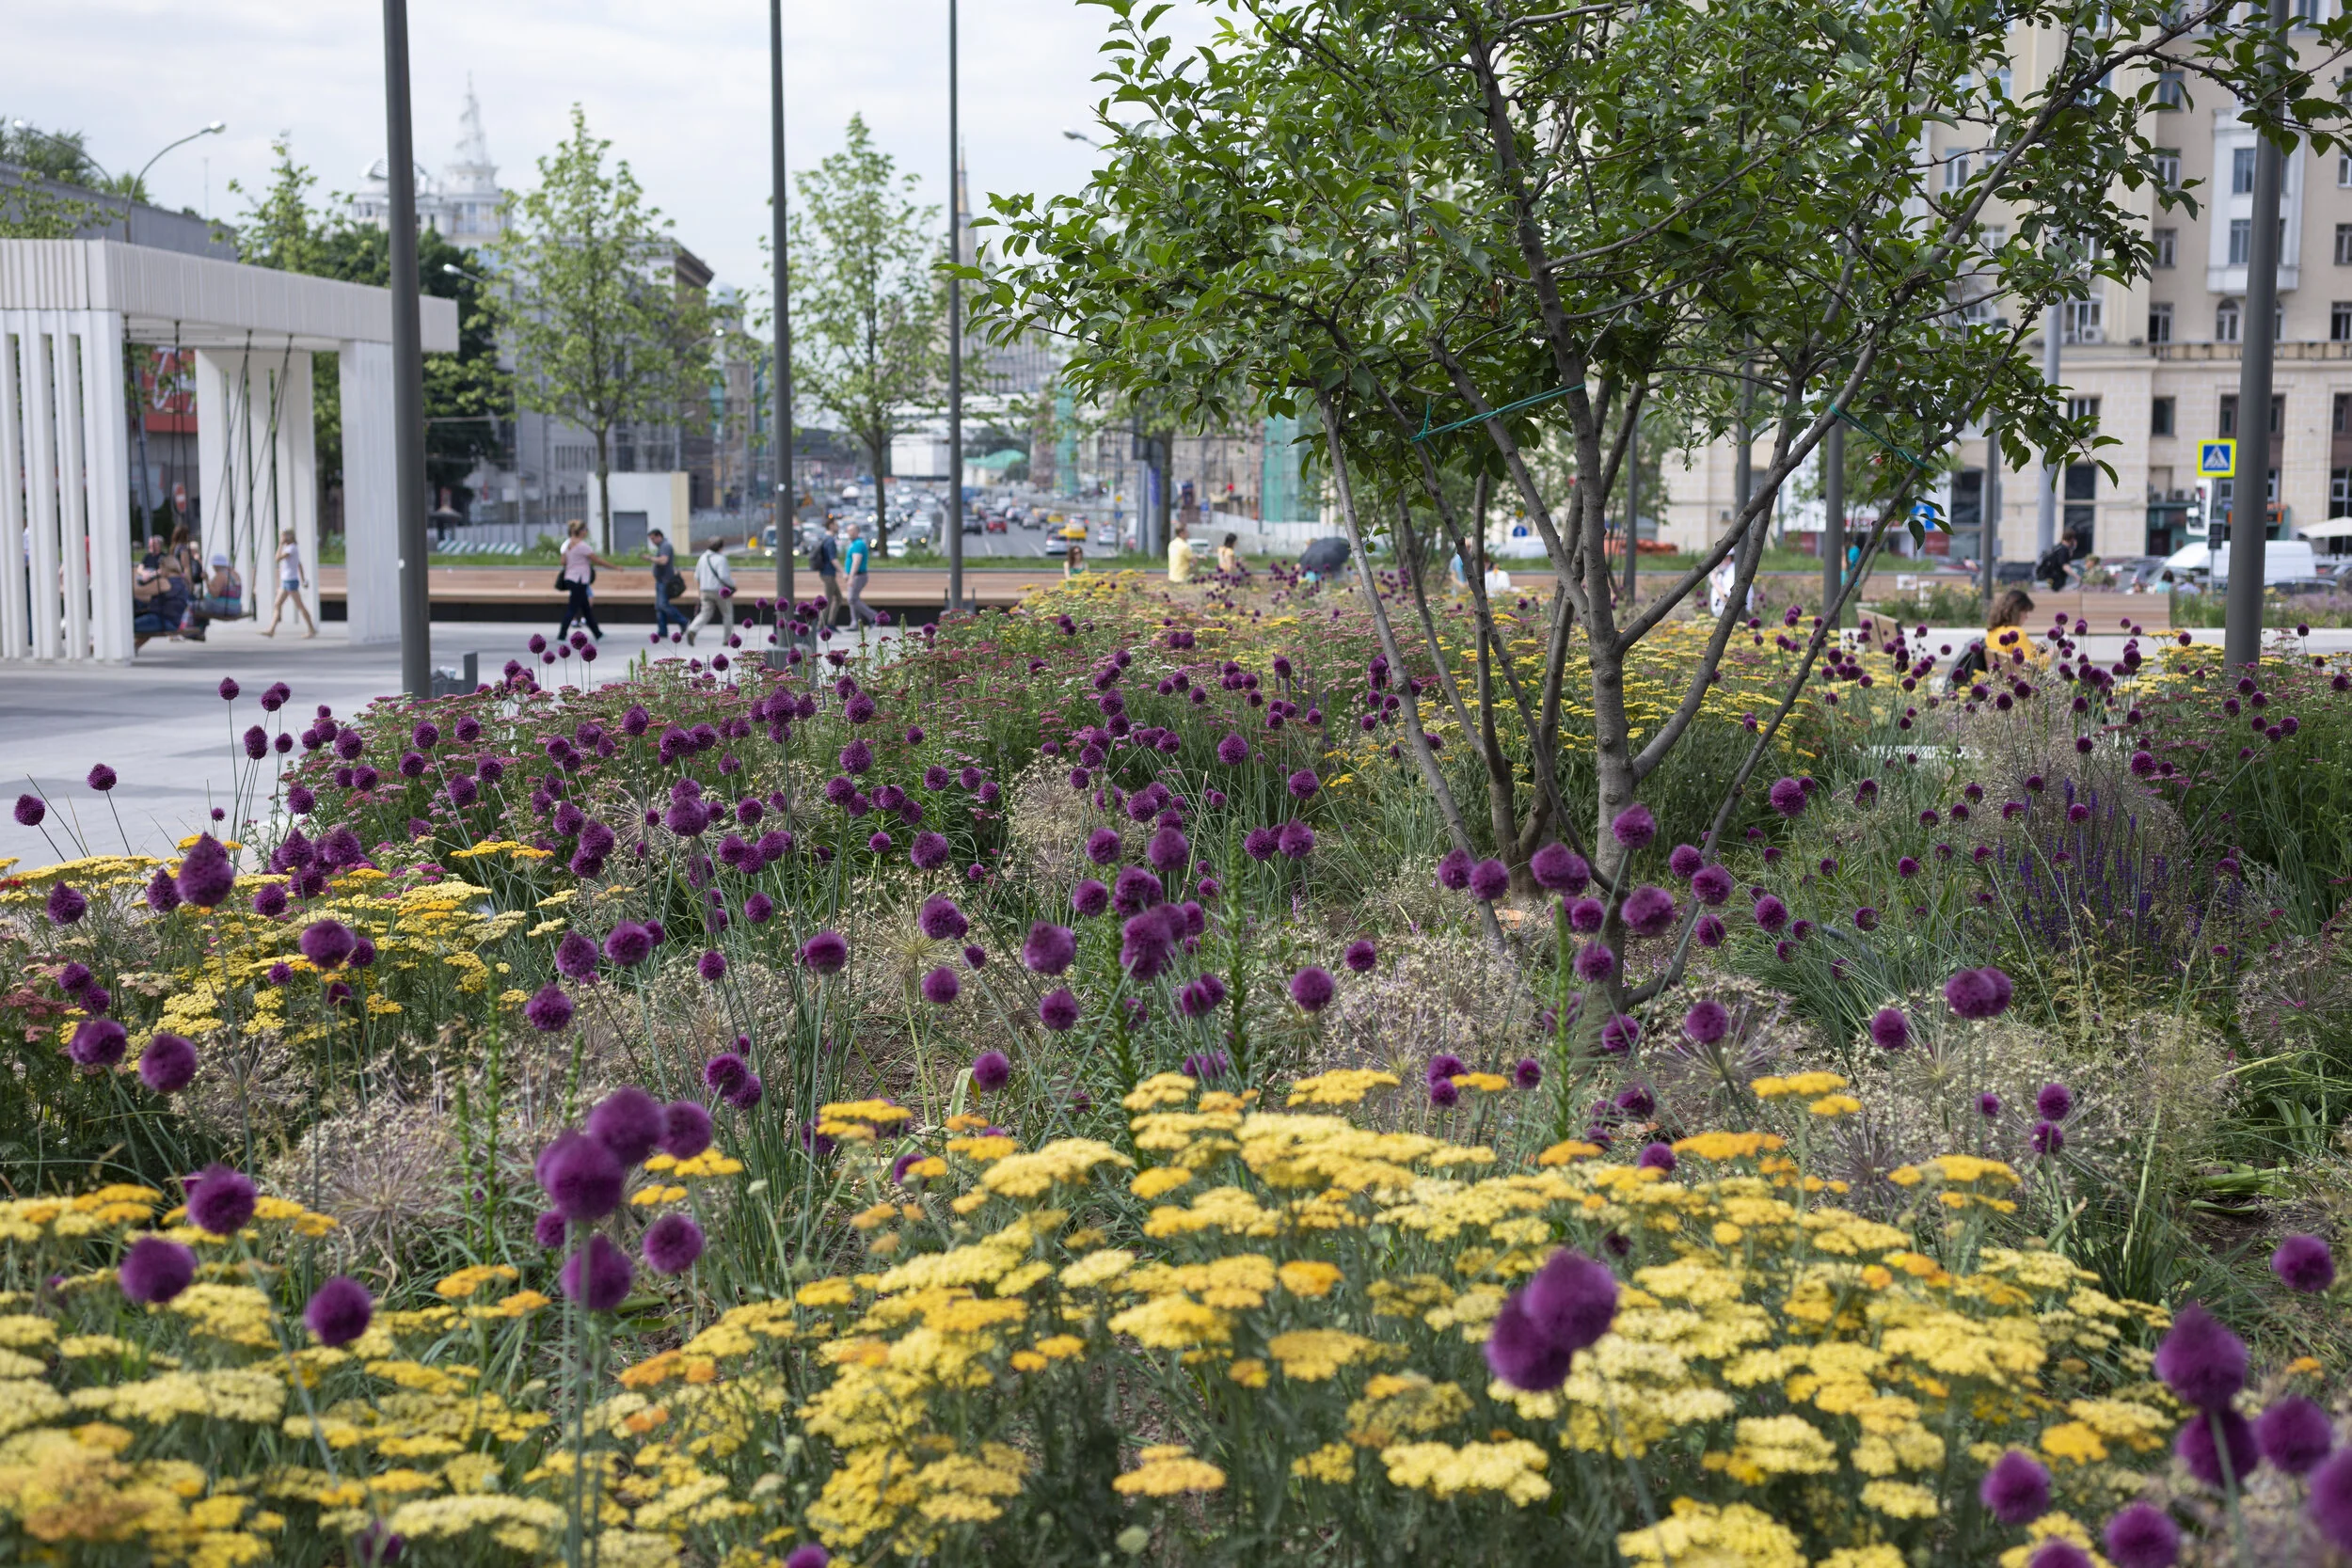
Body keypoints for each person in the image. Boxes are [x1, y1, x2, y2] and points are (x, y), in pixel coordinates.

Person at [554, 519, 607, 641]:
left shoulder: (567, 544)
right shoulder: (583, 546)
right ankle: (561, 635)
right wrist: (615, 567)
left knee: (586, 608)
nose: (587, 532)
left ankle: (598, 634)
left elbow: (563, 562)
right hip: (579, 580)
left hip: (571, 578)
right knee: (573, 608)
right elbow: (597, 560)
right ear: (581, 531)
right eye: (585, 530)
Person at [262, 529, 317, 639]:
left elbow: (277, 558)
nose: (282, 538)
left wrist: (280, 545)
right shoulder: (290, 548)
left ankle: (311, 629)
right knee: (277, 604)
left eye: (284, 536)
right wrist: (303, 579)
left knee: (300, 606)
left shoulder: (291, 548)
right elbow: (299, 564)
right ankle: (271, 630)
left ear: (290, 536)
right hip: (286, 581)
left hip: (291, 581)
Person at [687, 535, 734, 645]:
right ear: (721, 547)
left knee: (705, 613)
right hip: (720, 591)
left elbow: (697, 576)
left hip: (704, 590)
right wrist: (733, 585)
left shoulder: (702, 557)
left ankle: (692, 629)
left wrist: (699, 593)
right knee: (727, 613)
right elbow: (724, 577)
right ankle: (727, 638)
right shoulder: (721, 559)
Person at [647, 528, 686, 641]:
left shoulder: (665, 546)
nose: (652, 541)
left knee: (663, 605)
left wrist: (649, 558)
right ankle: (662, 630)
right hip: (660, 581)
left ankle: (683, 621)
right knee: (659, 606)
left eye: (653, 539)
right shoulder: (662, 546)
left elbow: (664, 560)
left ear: (659, 536)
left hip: (665, 581)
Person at [812, 516, 846, 628]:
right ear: (831, 526)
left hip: (826, 573)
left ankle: (831, 623)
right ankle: (820, 626)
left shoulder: (824, 538)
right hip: (828, 574)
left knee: (838, 598)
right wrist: (843, 572)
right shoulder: (830, 540)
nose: (838, 527)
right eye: (836, 525)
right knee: (828, 600)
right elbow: (833, 559)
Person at [843, 528, 879, 627]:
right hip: (855, 575)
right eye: (848, 530)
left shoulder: (858, 544)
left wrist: (851, 576)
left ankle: (874, 616)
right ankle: (855, 623)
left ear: (856, 532)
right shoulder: (854, 544)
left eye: (851, 530)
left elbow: (856, 561)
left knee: (852, 599)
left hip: (858, 575)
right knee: (854, 599)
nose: (848, 532)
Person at [1168, 520, 1195, 584]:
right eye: (1186, 532)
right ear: (1181, 533)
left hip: (1172, 577)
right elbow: (1194, 561)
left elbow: (1180, 555)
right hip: (1182, 578)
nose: (1188, 533)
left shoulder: (1172, 544)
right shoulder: (1184, 546)